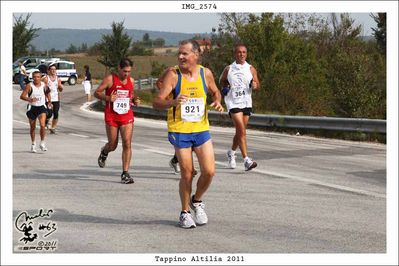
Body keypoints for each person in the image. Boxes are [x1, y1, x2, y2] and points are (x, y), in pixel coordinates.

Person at [153, 39, 224, 229]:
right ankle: (184, 213)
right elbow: (156, 101)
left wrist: (217, 100)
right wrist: (172, 102)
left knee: (209, 171)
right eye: (179, 53)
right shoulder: (173, 75)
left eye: (185, 54)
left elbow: (216, 91)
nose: (181, 57)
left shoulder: (205, 73)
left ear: (196, 55)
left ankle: (197, 200)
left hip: (201, 128)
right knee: (187, 172)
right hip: (180, 129)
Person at [94, 58, 141, 184]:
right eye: (124, 71)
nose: (127, 74)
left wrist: (135, 100)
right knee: (113, 145)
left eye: (129, 71)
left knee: (127, 143)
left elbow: (131, 95)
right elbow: (97, 93)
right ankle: (104, 152)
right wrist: (108, 97)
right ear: (119, 68)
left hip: (126, 115)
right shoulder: (110, 79)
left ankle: (125, 173)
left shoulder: (131, 80)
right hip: (112, 116)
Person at [219, 43, 260, 171]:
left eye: (244, 52)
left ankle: (231, 153)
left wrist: (255, 86)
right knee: (242, 131)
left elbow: (257, 84)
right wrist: (225, 87)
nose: (241, 54)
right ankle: (246, 160)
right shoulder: (229, 68)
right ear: (235, 54)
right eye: (239, 52)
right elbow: (222, 80)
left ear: (246, 54)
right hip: (233, 103)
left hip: (246, 102)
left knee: (239, 132)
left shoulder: (251, 68)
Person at [156, 67, 197, 176]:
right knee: (184, 143)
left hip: (192, 115)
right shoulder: (172, 71)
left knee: (192, 143)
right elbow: (159, 83)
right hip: (177, 116)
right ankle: (189, 168)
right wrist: (169, 96)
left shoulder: (198, 71)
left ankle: (175, 160)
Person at [20, 71, 52, 152]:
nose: (36, 78)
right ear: (32, 77)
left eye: (38, 77)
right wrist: (29, 99)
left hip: (41, 107)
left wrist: (49, 101)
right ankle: (33, 144)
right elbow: (22, 96)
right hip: (32, 108)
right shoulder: (29, 86)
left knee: (42, 125)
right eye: (34, 77)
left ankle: (42, 143)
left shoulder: (44, 85)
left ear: (40, 77)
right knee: (33, 128)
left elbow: (48, 93)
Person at [43, 63, 63, 134]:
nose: (53, 71)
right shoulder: (45, 78)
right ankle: (46, 120)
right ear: (48, 71)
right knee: (49, 114)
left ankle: (53, 128)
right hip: (48, 99)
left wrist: (60, 87)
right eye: (52, 69)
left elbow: (60, 90)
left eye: (54, 69)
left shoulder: (58, 79)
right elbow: (42, 89)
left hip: (56, 98)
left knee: (56, 113)